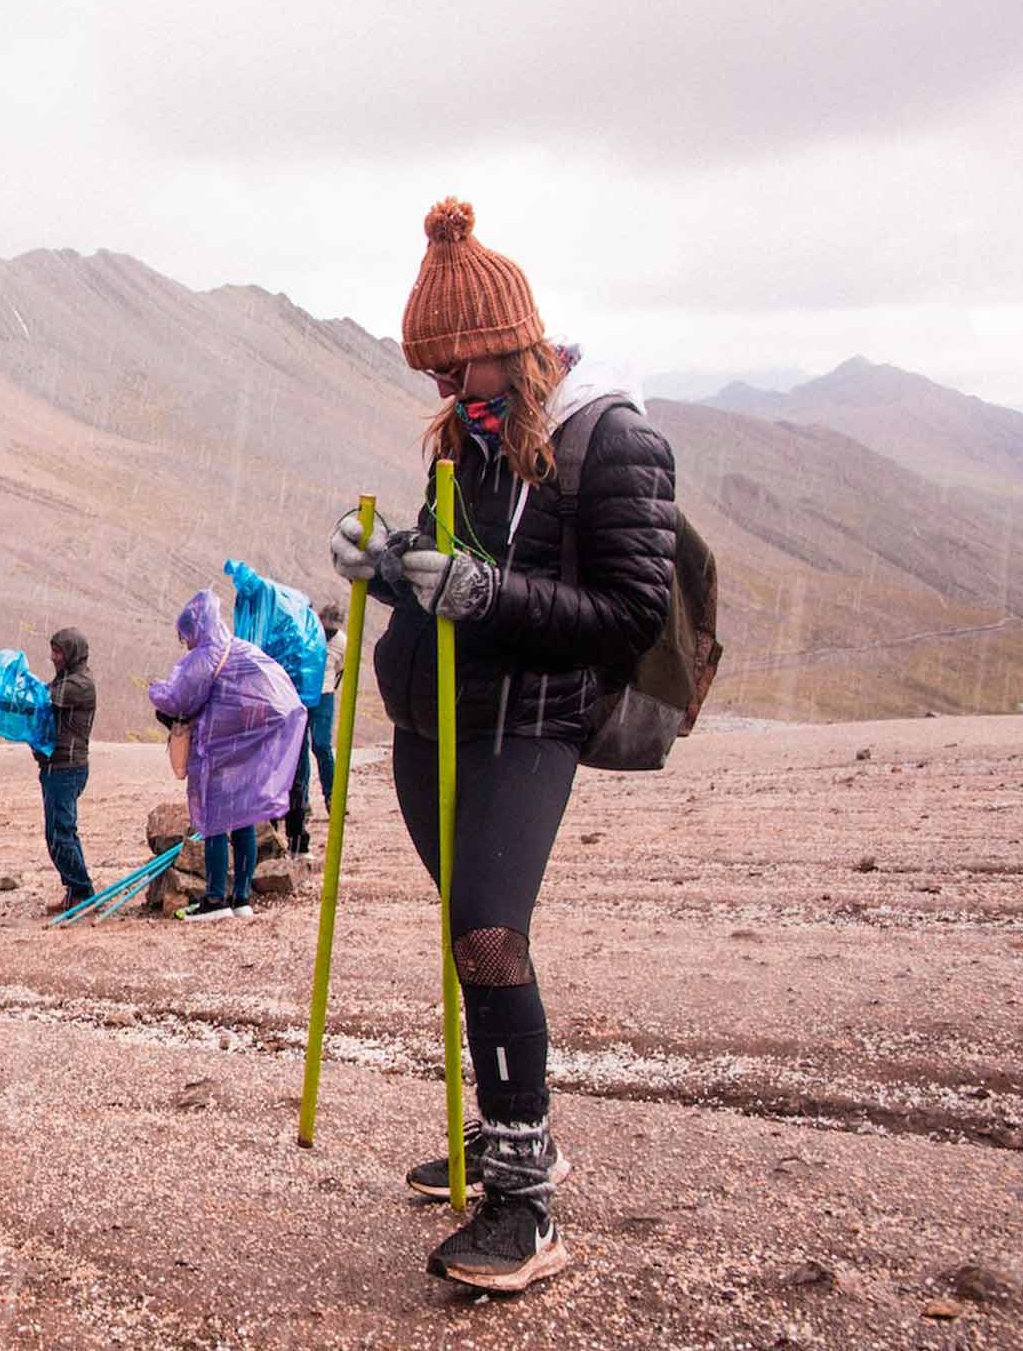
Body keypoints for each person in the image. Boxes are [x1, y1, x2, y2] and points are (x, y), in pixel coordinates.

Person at [329, 197, 676, 1292]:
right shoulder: (468, 439)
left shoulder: (614, 442)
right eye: (429, 372)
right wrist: (388, 567)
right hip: (431, 721)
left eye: (455, 367)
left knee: (487, 931)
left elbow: (627, 612)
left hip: (533, 722)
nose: (440, 390)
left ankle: (525, 1204)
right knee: (467, 930)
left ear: (508, 343)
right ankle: (505, 1135)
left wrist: (487, 593)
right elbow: (447, 579)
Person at [148, 592, 306, 921]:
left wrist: (155, 689)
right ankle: (242, 897)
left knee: (215, 823)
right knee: (244, 818)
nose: (186, 643)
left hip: (217, 752)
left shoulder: (204, 657)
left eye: (185, 636)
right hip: (246, 752)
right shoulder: (243, 650)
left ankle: (216, 898)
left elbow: (178, 699)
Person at [224, 559, 329, 853]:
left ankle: (276, 831)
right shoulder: (288, 613)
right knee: (293, 765)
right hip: (293, 704)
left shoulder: (272, 612)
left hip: (275, 703)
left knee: (274, 765)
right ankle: (291, 833)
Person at [35, 628, 96, 916]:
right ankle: (76, 890)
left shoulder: (79, 685)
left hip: (67, 768)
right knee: (57, 832)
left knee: (61, 832)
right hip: (54, 766)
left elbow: (39, 699)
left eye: (58, 652)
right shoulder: (66, 680)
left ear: (71, 653)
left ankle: (83, 892)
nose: (53, 658)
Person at [310, 601, 348, 811]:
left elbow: (340, 668)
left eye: (332, 630)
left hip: (324, 694)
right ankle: (297, 802)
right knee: (296, 750)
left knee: (322, 746)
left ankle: (332, 797)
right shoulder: (309, 633)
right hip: (304, 693)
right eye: (326, 629)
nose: (329, 634)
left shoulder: (342, 642)